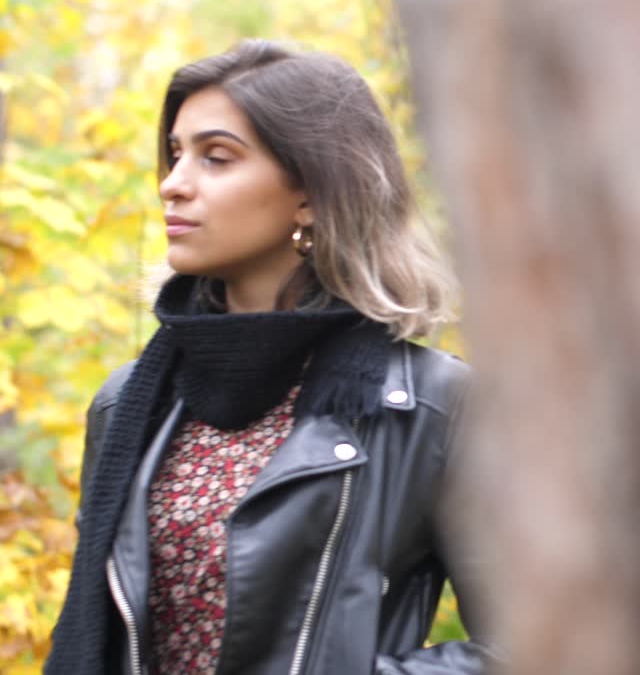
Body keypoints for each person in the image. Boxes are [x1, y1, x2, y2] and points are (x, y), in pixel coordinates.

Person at [46, 40, 494, 675]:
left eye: (216, 158)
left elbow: (540, 642)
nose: (172, 186)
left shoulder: (432, 406)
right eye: (175, 156)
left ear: (311, 193)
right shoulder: (129, 404)